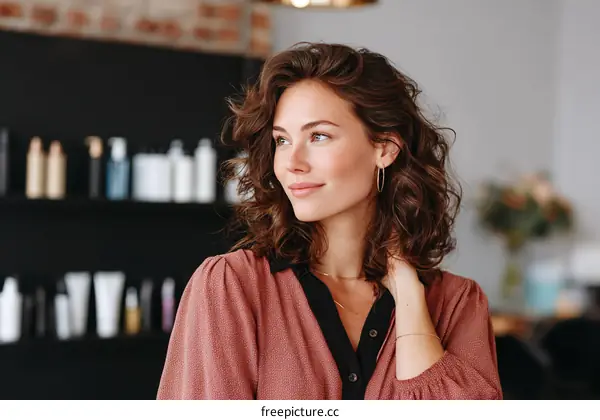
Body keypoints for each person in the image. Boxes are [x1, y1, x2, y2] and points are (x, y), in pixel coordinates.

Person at [156, 42, 503, 400]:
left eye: (318, 136)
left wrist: (409, 293)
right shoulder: (233, 288)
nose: (293, 162)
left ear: (384, 148)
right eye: (282, 140)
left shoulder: (458, 304)